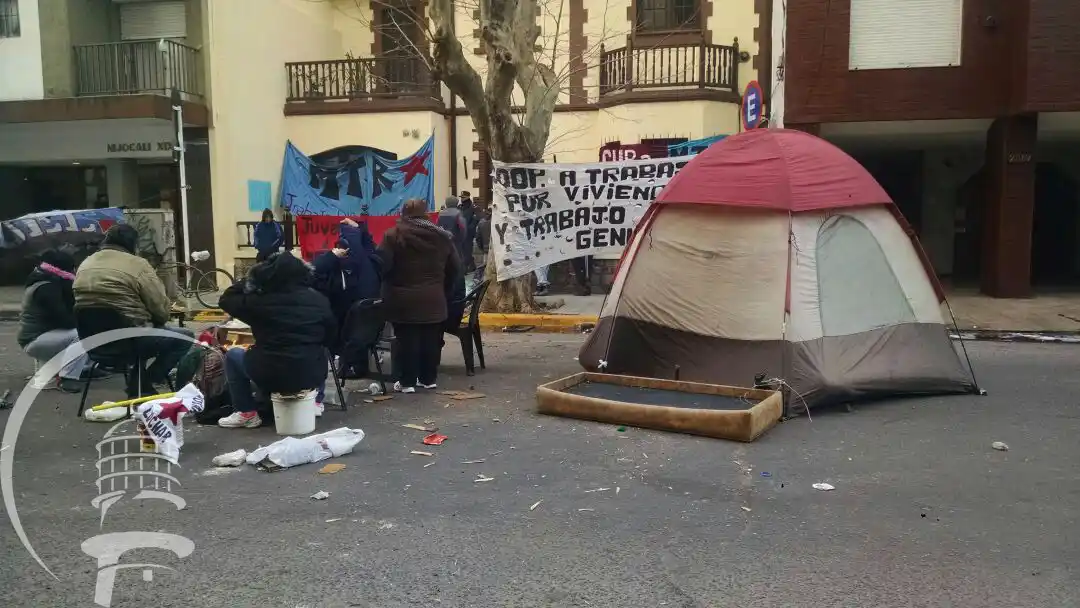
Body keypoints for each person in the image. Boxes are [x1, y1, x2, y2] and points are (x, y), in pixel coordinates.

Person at [217, 251, 338, 427]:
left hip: (268, 372)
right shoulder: (318, 300)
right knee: (318, 351)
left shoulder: (257, 301)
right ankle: (315, 401)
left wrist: (253, 279)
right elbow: (330, 336)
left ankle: (246, 412)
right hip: (309, 372)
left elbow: (226, 299)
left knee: (234, 355)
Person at [73, 224, 194, 395]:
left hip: (93, 342)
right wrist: (158, 319)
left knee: (141, 329)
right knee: (185, 337)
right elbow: (160, 310)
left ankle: (139, 382)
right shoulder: (138, 265)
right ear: (133, 244)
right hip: (131, 340)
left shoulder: (86, 263)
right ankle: (144, 382)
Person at [379, 198, 462, 393]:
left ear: (404, 213)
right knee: (431, 340)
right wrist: (443, 289)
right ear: (425, 214)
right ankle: (428, 378)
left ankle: (407, 382)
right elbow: (455, 268)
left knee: (406, 340)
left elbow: (382, 265)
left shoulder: (393, 236)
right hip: (434, 298)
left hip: (402, 298)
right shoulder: (442, 237)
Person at [312, 217, 382, 378]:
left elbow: (312, 271)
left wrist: (331, 256)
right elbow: (370, 248)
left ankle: (344, 364)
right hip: (368, 334)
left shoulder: (348, 269)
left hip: (345, 333)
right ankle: (355, 365)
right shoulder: (371, 263)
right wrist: (360, 229)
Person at [17, 250, 93, 392]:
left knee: (80, 332)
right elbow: (65, 320)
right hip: (35, 341)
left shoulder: (42, 281)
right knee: (84, 334)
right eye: (72, 268)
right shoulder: (46, 288)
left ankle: (51, 372)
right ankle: (68, 378)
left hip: (39, 337)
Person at [437, 195, 469, 265]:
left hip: (444, 241)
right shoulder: (458, 213)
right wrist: (461, 239)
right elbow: (462, 228)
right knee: (457, 261)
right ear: (456, 203)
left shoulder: (441, 213)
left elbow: (437, 227)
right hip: (456, 240)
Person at [458, 191, 479, 271]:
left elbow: (476, 219)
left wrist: (469, 228)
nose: (462, 199)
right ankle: (472, 265)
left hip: (469, 233)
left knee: (467, 250)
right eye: (461, 197)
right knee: (462, 251)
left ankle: (465, 268)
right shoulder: (460, 207)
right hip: (460, 232)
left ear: (468, 197)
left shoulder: (473, 207)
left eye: (463, 197)